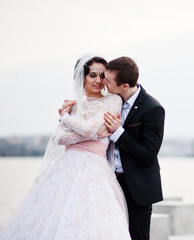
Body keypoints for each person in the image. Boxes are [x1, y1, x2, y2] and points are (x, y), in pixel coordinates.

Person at [0, 55, 131, 240]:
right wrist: (89, 132)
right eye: (93, 75)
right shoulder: (74, 104)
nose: (99, 81)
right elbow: (58, 137)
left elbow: (88, 129)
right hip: (66, 167)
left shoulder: (112, 101)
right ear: (83, 77)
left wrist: (66, 118)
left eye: (102, 75)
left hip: (95, 168)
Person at [100, 56, 165, 240]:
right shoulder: (111, 102)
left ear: (125, 85)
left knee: (137, 236)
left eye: (108, 80)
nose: (103, 82)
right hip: (109, 183)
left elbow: (148, 154)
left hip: (138, 188)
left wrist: (119, 134)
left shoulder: (153, 109)